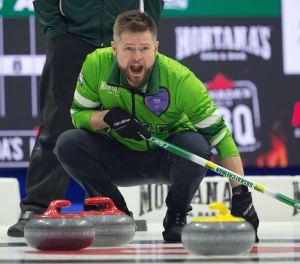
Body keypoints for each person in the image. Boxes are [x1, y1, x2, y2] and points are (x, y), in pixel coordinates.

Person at [55, 10, 259, 242]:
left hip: (167, 156)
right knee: (68, 143)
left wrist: (241, 194)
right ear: (114, 48)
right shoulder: (95, 64)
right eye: (129, 48)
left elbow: (220, 136)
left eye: (144, 48)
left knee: (197, 145)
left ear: (156, 48)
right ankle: (115, 211)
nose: (137, 57)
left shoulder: (180, 80)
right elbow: (78, 115)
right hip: (117, 156)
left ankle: (177, 214)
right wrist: (109, 117)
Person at [7, 0, 164, 237]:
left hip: (121, 45)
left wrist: (143, 36)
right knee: (55, 127)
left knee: (113, 126)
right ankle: (37, 209)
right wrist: (57, 30)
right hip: (70, 41)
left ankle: (103, 209)